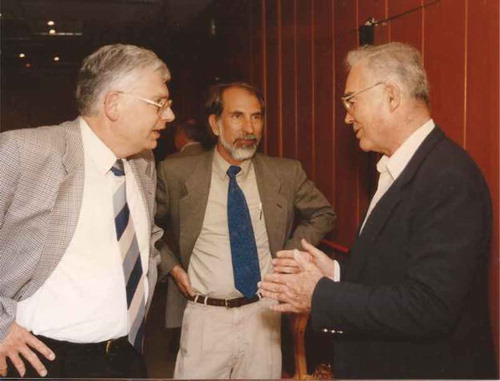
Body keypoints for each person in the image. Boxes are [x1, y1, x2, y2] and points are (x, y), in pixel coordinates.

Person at [259, 42, 496, 379]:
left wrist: (320, 294)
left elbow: (431, 308)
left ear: (390, 96)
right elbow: (394, 274)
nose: (346, 115)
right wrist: (335, 274)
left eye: (351, 100)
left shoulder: (449, 177)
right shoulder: (401, 168)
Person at [0, 43, 175, 378]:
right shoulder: (23, 152)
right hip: (40, 359)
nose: (169, 115)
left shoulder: (143, 163)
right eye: (160, 103)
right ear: (113, 104)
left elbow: (147, 238)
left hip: (125, 355)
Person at [155, 82, 335, 379]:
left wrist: (286, 257)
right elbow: (146, 226)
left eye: (256, 117)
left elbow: (323, 213)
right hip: (205, 318)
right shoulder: (177, 174)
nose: (249, 127)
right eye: (237, 116)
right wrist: (173, 269)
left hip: (262, 314)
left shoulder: (285, 173)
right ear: (215, 124)